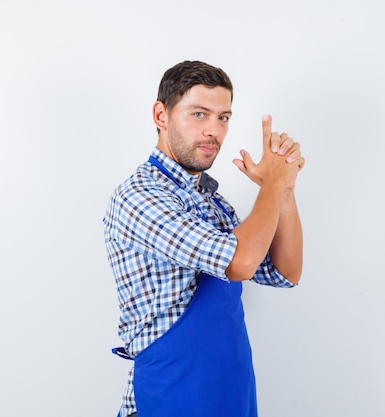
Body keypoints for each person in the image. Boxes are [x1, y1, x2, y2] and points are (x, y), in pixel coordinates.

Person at [103, 60, 305, 417]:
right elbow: (240, 262)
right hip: (169, 398)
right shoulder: (141, 196)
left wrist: (284, 189)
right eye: (199, 114)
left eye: (223, 117)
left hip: (229, 395)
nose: (214, 130)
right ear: (161, 115)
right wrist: (271, 184)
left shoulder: (211, 201)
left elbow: (283, 271)